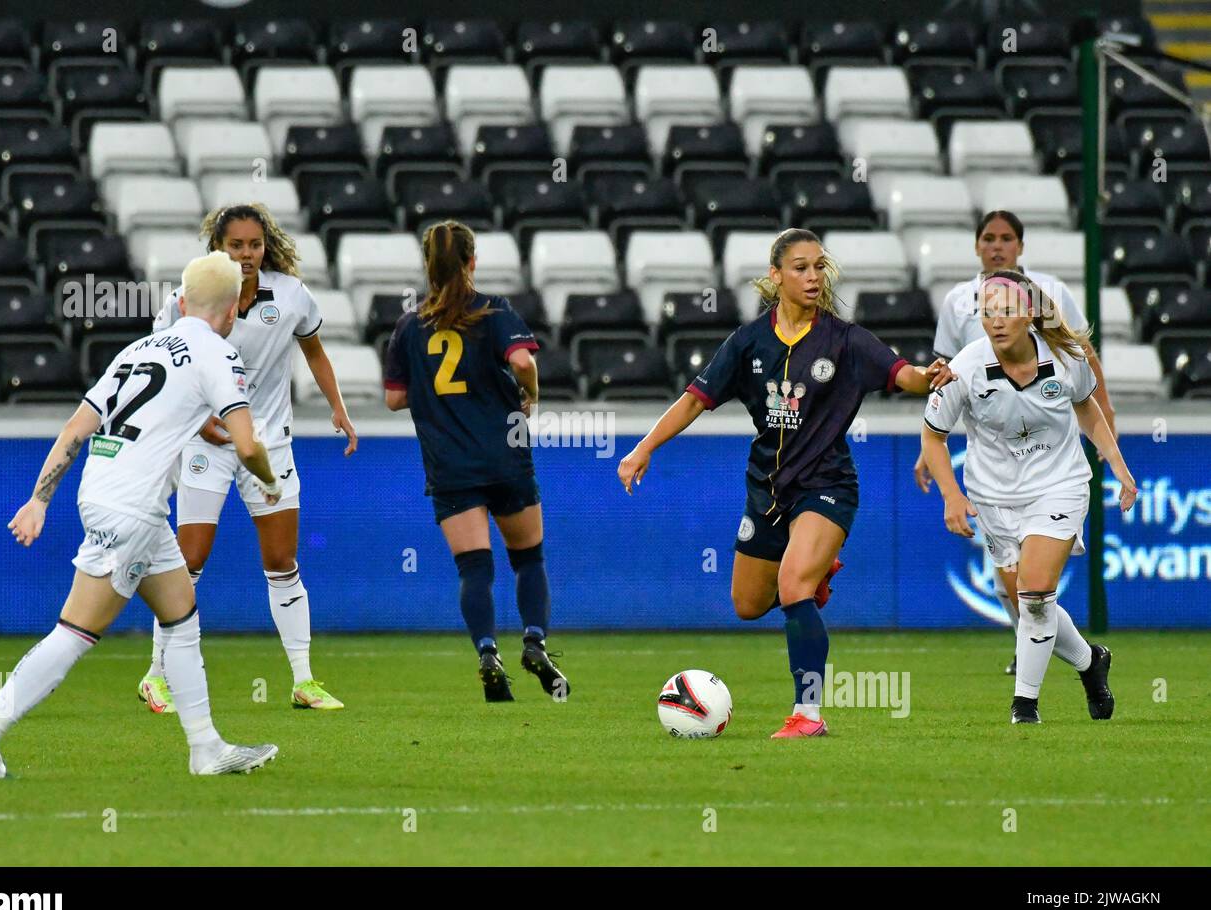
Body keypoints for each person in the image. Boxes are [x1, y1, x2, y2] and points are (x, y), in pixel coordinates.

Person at [0, 252, 281, 778]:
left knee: (180, 611)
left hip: (108, 494)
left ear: (180, 300)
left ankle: (206, 748)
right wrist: (268, 482)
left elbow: (76, 430)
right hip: (132, 508)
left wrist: (39, 499)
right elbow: (247, 445)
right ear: (234, 308)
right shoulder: (218, 355)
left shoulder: (139, 348)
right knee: (75, 632)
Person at [618, 227, 954, 739]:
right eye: (801, 267)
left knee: (792, 585)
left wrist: (928, 376)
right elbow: (694, 398)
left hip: (827, 484)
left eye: (819, 266)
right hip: (767, 487)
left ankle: (809, 715)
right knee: (749, 605)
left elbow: (901, 373)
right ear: (776, 276)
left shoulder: (845, 340)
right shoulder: (749, 342)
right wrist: (645, 447)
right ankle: (813, 572)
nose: (813, 276)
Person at [137, 204, 358, 714]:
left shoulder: (291, 295)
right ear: (219, 247)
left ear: (266, 245)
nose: (246, 254)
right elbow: (161, 365)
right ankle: (155, 675)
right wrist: (195, 423)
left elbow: (315, 352)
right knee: (188, 561)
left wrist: (339, 409)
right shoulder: (185, 299)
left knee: (282, 562)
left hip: (269, 444)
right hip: (206, 444)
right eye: (235, 245)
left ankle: (304, 681)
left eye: (253, 244)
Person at [920, 270, 1138, 724]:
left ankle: (1025, 706)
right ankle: (1089, 662)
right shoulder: (964, 368)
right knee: (1024, 599)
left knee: (1036, 591)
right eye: (987, 312)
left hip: (1058, 484)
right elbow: (933, 436)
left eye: (1006, 311)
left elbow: (1088, 410)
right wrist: (951, 495)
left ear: (1030, 315)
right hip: (994, 497)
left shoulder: (1065, 358)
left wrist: (1118, 467)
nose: (996, 321)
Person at [383, 220, 567, 703]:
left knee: (475, 570)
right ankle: (534, 640)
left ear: (428, 266)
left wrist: (434, 395)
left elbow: (394, 399)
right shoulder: (495, 310)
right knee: (528, 559)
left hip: (450, 465)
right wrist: (529, 392)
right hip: (505, 457)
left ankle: (488, 652)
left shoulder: (408, 327)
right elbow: (523, 362)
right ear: (472, 262)